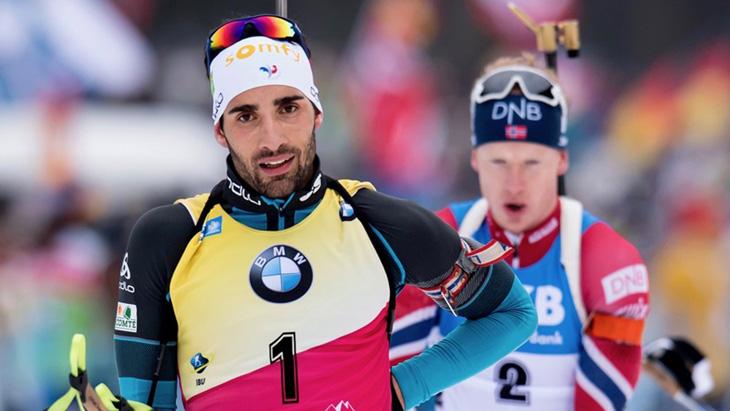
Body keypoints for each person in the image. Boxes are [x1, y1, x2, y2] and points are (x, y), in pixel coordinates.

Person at [113, 15, 537, 411]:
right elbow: (144, 403)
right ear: (220, 131)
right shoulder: (169, 239)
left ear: (317, 113)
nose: (272, 139)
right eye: (246, 116)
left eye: (288, 108)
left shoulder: (377, 223)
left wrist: (402, 389)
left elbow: (513, 313)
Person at [390, 55, 650, 410]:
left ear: (561, 160)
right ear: (476, 159)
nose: (515, 184)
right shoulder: (436, 238)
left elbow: (600, 401)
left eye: (532, 163)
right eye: (499, 162)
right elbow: (396, 387)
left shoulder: (605, 259)